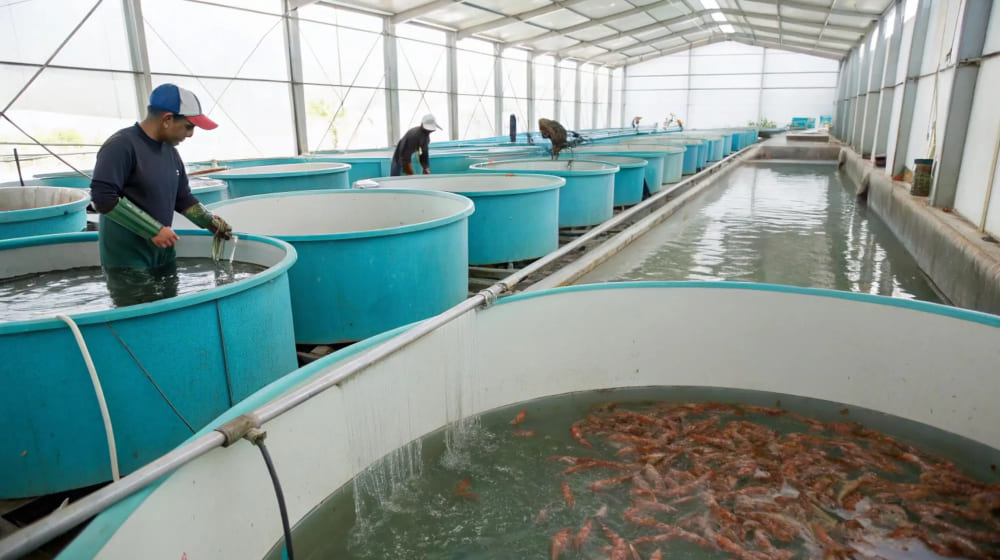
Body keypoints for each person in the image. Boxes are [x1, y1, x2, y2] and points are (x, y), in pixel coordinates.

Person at [90, 84, 232, 302]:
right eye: (188, 127)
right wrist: (153, 230)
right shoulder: (121, 146)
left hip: (163, 253)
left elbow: (182, 198)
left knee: (169, 308)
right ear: (167, 119)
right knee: (139, 315)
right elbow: (102, 197)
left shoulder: (171, 152)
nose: (191, 134)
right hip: (128, 261)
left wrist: (210, 222)